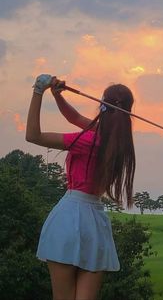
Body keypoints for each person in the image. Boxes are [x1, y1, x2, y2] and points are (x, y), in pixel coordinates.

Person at [26, 74, 136, 300]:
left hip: (69, 218)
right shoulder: (120, 143)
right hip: (95, 223)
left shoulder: (88, 141)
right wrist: (58, 96)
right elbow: (74, 116)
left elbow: (33, 135)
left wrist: (38, 91)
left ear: (102, 106)